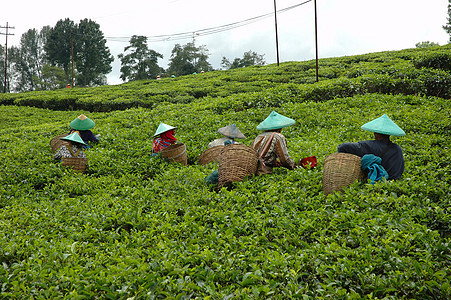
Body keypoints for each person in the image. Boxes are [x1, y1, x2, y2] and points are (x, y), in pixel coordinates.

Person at [337, 114, 405, 180]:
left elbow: (342, 147)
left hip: (376, 184)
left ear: (375, 133)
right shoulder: (397, 149)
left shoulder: (368, 145)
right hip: (394, 184)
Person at [251, 111, 296, 175]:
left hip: (251, 170)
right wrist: (293, 166)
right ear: (279, 128)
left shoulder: (259, 136)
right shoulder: (278, 136)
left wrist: (273, 161)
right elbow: (284, 159)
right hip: (264, 171)